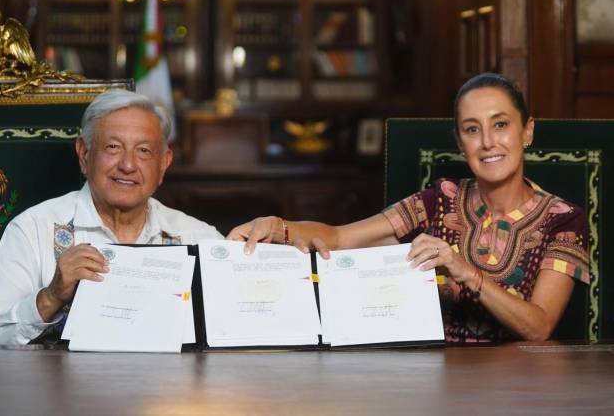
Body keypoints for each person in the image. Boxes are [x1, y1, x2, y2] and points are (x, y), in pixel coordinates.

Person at [228, 73, 589, 343]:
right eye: (472, 129)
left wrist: (462, 269)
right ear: (459, 142)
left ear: (527, 131)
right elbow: (339, 238)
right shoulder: (439, 200)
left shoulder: (563, 220)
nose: (488, 142)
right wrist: (277, 227)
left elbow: (539, 327)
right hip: (431, 381)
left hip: (522, 391)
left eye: (501, 125)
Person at [0, 89, 222, 345]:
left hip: (168, 384)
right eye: (113, 147)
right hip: (62, 385)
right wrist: (51, 296)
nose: (128, 165)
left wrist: (269, 245)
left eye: (144, 151)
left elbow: (236, 326)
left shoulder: (198, 238)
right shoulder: (32, 230)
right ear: (84, 154)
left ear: (164, 163)